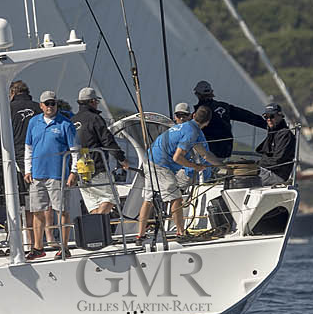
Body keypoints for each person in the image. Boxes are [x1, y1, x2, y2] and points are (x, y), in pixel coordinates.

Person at [137, 104, 224, 240]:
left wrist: (224, 165)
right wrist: (194, 166)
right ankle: (180, 233)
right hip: (161, 165)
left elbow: (205, 154)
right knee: (176, 199)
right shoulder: (192, 132)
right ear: (207, 123)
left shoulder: (188, 127)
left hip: (149, 160)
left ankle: (140, 235)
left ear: (194, 115)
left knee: (149, 199)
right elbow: (177, 157)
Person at [23, 90, 78, 259]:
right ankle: (38, 247)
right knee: (37, 211)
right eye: (46, 104)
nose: (50, 107)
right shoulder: (33, 122)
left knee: (61, 210)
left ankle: (64, 246)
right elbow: (28, 148)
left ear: (56, 105)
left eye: (52, 103)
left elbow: (75, 151)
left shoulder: (66, 124)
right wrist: (28, 169)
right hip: (37, 174)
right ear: (41, 106)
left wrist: (74, 172)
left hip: (58, 174)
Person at [69, 86, 127, 218]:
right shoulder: (95, 118)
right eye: (96, 101)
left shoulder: (71, 121)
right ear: (92, 101)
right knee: (111, 198)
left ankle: (97, 235)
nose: (97, 104)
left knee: (94, 205)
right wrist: (122, 159)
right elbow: (108, 141)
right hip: (97, 166)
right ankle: (98, 225)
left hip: (80, 170)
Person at [193, 80, 268, 162]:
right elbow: (247, 116)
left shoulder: (198, 112)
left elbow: (189, 129)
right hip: (224, 152)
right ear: (212, 93)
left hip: (208, 152)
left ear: (197, 94)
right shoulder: (225, 107)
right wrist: (267, 125)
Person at [256, 103, 297, 184]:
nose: (268, 119)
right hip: (268, 171)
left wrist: (256, 166)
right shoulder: (273, 133)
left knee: (243, 177)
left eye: (271, 116)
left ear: (280, 116)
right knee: (236, 174)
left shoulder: (285, 134)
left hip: (278, 175)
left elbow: (278, 160)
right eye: (266, 117)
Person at [10, 80, 43, 152]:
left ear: (13, 92)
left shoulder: (8, 109)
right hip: (38, 152)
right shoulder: (39, 108)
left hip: (17, 154)